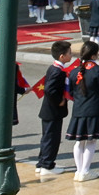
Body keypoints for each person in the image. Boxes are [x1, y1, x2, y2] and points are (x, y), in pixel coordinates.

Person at [65, 40, 99, 182]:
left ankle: (79, 170)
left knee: (79, 141)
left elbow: (71, 92)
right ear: (93, 55)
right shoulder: (98, 70)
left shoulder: (74, 71)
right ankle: (85, 171)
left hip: (78, 109)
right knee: (91, 141)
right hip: (93, 109)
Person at [33, 39, 72, 177]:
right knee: (52, 138)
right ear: (62, 56)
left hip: (48, 111)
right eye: (69, 53)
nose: (71, 55)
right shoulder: (58, 71)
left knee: (47, 137)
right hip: (53, 111)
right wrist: (59, 100)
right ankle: (47, 165)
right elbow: (49, 89)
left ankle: (42, 162)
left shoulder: (53, 68)